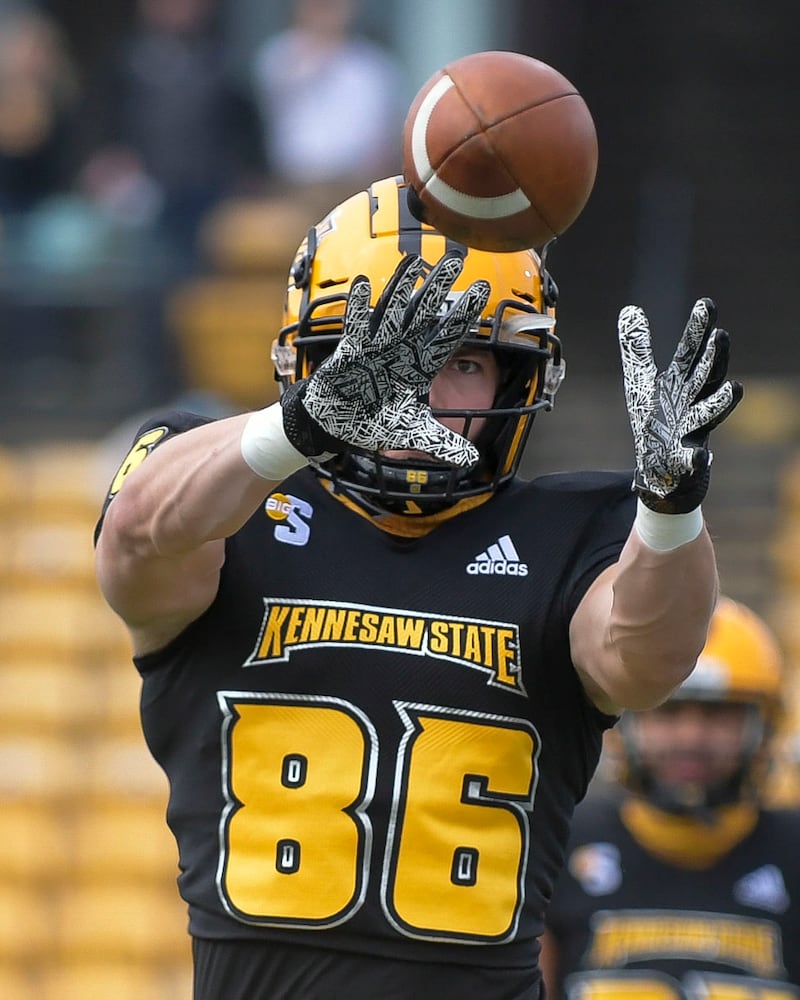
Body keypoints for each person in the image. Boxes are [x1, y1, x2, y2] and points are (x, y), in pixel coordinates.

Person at [94, 174, 742, 1000]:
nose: (419, 391)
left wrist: (672, 515)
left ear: (517, 380)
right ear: (311, 365)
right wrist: (300, 427)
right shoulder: (224, 499)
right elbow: (137, 542)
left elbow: (644, 661)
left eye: (461, 360)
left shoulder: (579, 530)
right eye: (380, 358)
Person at [542, 596, 800, 998]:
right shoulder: (560, 842)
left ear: (764, 727)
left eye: (718, 715)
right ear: (623, 721)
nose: (691, 737)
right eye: (667, 711)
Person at [251, 0, 404, 200]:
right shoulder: (279, 56)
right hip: (293, 187)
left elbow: (387, 134)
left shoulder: (374, 67)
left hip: (357, 188)